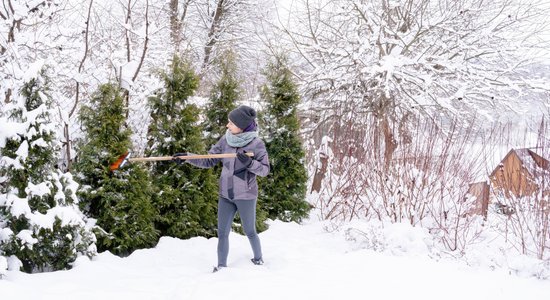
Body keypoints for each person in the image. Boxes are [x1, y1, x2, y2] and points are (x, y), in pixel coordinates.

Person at [173, 105, 270, 272]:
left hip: (246, 195)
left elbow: (264, 170)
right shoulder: (226, 140)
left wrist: (250, 163)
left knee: (250, 231)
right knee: (222, 232)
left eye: (231, 123)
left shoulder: (256, 144)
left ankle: (258, 259)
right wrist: (187, 157)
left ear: (242, 126)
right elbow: (209, 160)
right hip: (225, 194)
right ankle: (221, 266)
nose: (227, 125)